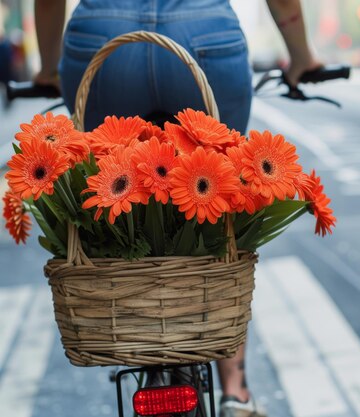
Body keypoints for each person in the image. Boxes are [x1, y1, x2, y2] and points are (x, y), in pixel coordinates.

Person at [33, 1, 321, 416]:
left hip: (102, 35)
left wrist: (46, 67)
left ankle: (132, 326)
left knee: (108, 188)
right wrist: (302, 56)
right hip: (206, 34)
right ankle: (236, 392)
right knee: (224, 197)